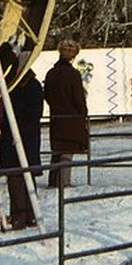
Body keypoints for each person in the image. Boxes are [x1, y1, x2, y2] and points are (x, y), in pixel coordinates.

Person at [0, 53, 44, 229]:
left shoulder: (24, 87)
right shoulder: (27, 86)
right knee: (23, 177)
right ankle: (28, 214)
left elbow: (31, 115)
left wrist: (15, 133)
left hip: (19, 138)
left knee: (18, 178)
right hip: (24, 138)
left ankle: (22, 216)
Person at [44, 38, 89, 188]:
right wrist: (83, 115)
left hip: (56, 117)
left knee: (56, 151)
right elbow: (79, 99)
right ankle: (64, 183)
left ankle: (53, 181)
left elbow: (48, 96)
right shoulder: (73, 74)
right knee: (67, 152)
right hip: (72, 119)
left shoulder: (51, 73)